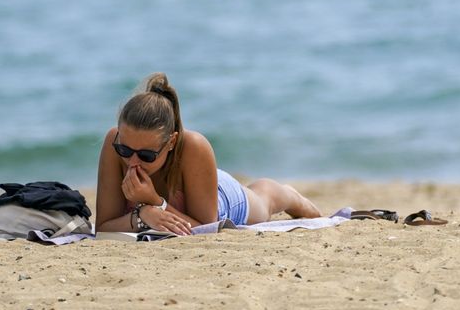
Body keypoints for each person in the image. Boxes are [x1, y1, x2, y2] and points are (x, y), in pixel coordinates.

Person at [95, 73, 321, 235]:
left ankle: (291, 195)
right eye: (125, 150)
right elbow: (104, 227)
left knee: (265, 201)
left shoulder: (194, 146)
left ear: (171, 141)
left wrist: (154, 202)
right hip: (188, 192)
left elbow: (207, 229)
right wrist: (142, 216)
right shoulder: (113, 141)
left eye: (146, 156)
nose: (133, 161)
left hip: (221, 197)